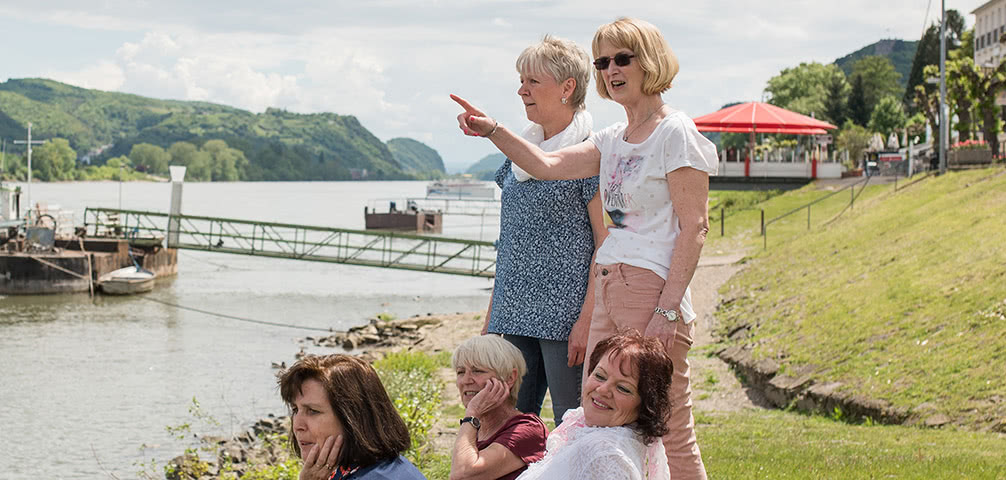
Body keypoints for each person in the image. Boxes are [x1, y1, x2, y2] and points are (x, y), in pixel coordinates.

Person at [452, 17, 717, 479]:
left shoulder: (675, 132)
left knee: (667, 424)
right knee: (594, 419)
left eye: (622, 58)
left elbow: (695, 227)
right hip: (610, 285)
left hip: (651, 288)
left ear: (649, 61)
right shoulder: (612, 139)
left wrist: (669, 310)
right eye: (603, 61)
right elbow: (547, 163)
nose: (611, 69)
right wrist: (492, 128)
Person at [480, 34, 604, 428]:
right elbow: (509, 244)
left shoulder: (591, 156)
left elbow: (607, 242)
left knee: (571, 423)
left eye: (532, 81)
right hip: (513, 312)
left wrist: (588, 318)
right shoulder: (516, 158)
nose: (521, 90)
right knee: (510, 425)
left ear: (567, 87)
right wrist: (491, 316)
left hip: (564, 317)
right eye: (521, 80)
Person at [517, 333, 673, 480]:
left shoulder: (606, 455)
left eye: (623, 388)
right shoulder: (591, 430)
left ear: (645, 404)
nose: (603, 389)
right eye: (599, 376)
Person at [279, 354, 428, 480]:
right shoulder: (388, 466)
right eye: (295, 409)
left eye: (312, 411)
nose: (297, 425)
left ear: (353, 419)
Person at [449, 335, 549, 480]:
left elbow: (463, 475)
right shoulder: (476, 429)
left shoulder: (528, 429)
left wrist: (472, 415)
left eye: (478, 371)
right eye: (460, 372)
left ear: (509, 378)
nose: (466, 380)